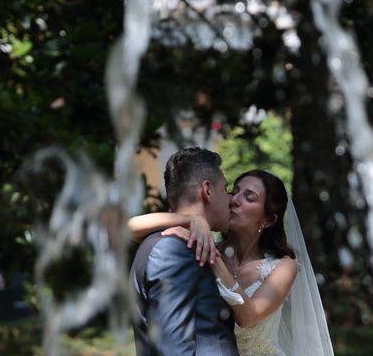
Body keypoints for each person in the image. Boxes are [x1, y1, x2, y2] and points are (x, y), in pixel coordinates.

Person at [128, 169, 334, 356]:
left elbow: (248, 317)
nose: (234, 200)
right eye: (233, 191)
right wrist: (189, 220)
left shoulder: (283, 266)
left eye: (249, 198)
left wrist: (214, 262)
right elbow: (130, 227)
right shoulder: (206, 246)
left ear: (268, 220)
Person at [129, 147, 238, 356]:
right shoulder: (173, 249)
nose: (230, 199)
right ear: (207, 190)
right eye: (225, 189)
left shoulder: (168, 243)